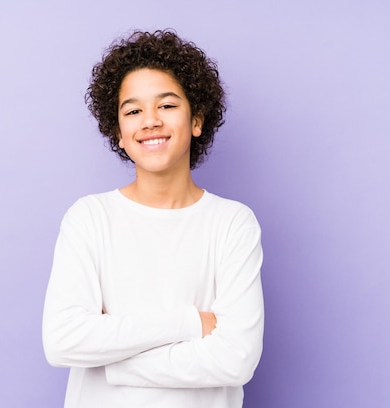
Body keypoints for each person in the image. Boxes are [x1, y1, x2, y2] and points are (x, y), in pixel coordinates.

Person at [42, 29, 264, 408]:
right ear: (120, 135)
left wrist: (113, 362)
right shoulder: (89, 219)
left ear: (197, 121)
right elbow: (63, 341)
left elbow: (235, 360)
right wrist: (190, 323)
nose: (150, 121)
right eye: (133, 111)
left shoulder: (232, 223)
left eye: (167, 105)